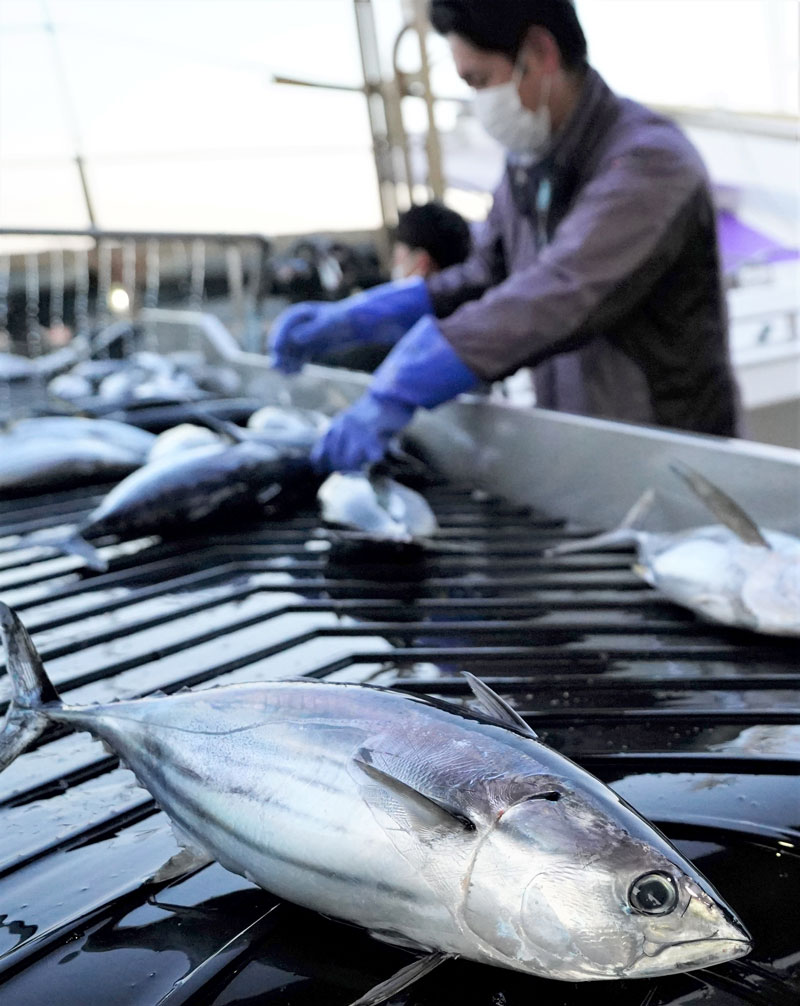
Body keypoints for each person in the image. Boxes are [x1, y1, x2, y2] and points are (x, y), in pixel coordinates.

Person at [270, 0, 741, 472]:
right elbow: (483, 276)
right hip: (587, 458)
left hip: (675, 464)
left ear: (539, 52)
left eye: (478, 80)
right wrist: (362, 317)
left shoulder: (650, 163)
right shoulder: (528, 165)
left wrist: (404, 382)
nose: (479, 104)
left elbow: (558, 293)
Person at [317, 200, 474, 373]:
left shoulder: (390, 348)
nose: (394, 263)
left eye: (398, 255)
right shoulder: (471, 325)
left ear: (421, 263)